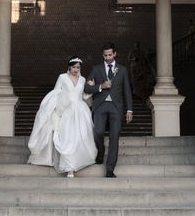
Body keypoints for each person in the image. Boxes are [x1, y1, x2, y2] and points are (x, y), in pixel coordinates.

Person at [27, 56, 97, 177]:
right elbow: (55, 93)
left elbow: (84, 97)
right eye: (74, 67)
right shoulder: (62, 77)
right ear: (69, 66)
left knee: (80, 137)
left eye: (78, 67)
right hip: (66, 111)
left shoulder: (83, 79)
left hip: (80, 111)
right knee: (68, 137)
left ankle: (76, 162)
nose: (76, 69)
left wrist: (91, 87)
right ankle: (69, 167)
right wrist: (56, 109)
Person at [84, 42, 133, 178]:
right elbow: (86, 88)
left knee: (114, 137)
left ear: (115, 54)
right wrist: (101, 86)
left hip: (116, 107)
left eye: (110, 55)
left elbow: (127, 90)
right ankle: (100, 151)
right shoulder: (96, 69)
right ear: (102, 55)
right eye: (105, 55)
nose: (107, 57)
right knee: (98, 132)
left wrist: (129, 110)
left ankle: (110, 169)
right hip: (100, 106)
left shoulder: (122, 70)